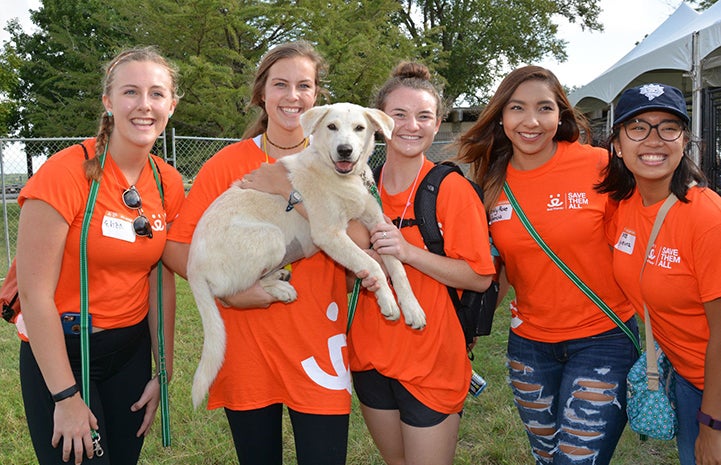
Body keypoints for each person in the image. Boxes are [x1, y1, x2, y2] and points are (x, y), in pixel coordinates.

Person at [162, 41, 355, 465]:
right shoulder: (227, 163)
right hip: (248, 349)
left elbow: (357, 242)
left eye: (304, 85)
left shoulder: (342, 159)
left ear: (317, 96)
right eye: (280, 84)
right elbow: (176, 248)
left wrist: (292, 193)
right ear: (262, 94)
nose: (292, 96)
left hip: (318, 346)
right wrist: (228, 291)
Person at [455, 65, 639, 465]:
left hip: (603, 339)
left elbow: (643, 225)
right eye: (517, 108)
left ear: (561, 115)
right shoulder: (489, 182)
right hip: (529, 348)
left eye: (544, 108)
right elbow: (498, 267)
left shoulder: (600, 164)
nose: (531, 121)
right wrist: (468, 329)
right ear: (501, 116)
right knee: (547, 457)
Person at [15, 46, 185, 465]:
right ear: (108, 102)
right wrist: (66, 396)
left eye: (157, 94)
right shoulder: (64, 172)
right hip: (64, 354)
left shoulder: (169, 183)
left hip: (128, 354)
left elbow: (159, 277)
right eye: (130, 92)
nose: (144, 105)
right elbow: (36, 296)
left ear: (172, 105)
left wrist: (161, 369)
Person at [346, 62, 496, 465]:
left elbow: (480, 277)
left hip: (432, 361)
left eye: (424, 116)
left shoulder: (450, 189)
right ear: (378, 120)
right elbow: (346, 279)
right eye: (399, 114)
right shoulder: (361, 186)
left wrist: (407, 252)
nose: (411, 126)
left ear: (437, 122)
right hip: (370, 357)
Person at [596, 83, 721, 465]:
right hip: (687, 378)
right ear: (617, 144)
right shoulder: (625, 207)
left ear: (684, 141)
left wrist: (713, 424)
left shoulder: (706, 217)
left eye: (669, 127)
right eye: (638, 127)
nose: (654, 140)